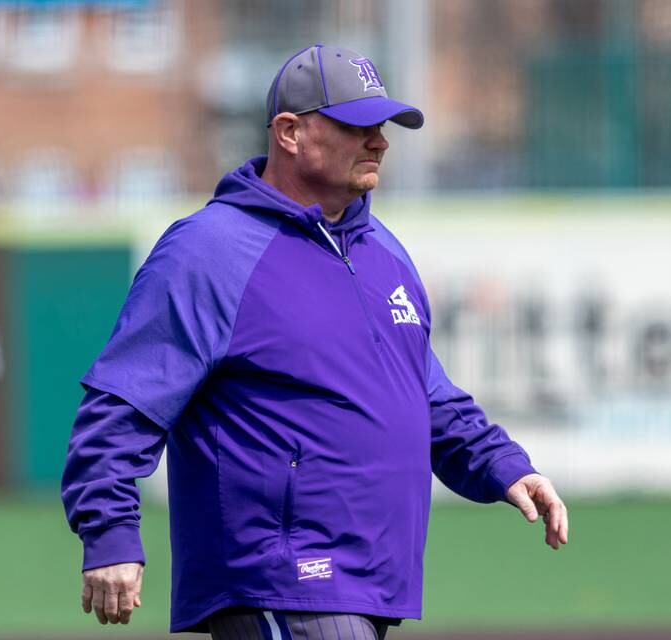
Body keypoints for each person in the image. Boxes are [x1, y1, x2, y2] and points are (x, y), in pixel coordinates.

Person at [61, 44, 568, 640]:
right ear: (290, 132)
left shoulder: (383, 252)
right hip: (281, 576)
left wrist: (500, 464)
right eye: (357, 125)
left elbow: (422, 393)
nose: (378, 140)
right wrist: (111, 531)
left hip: (369, 580)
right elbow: (123, 400)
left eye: (381, 125)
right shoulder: (212, 250)